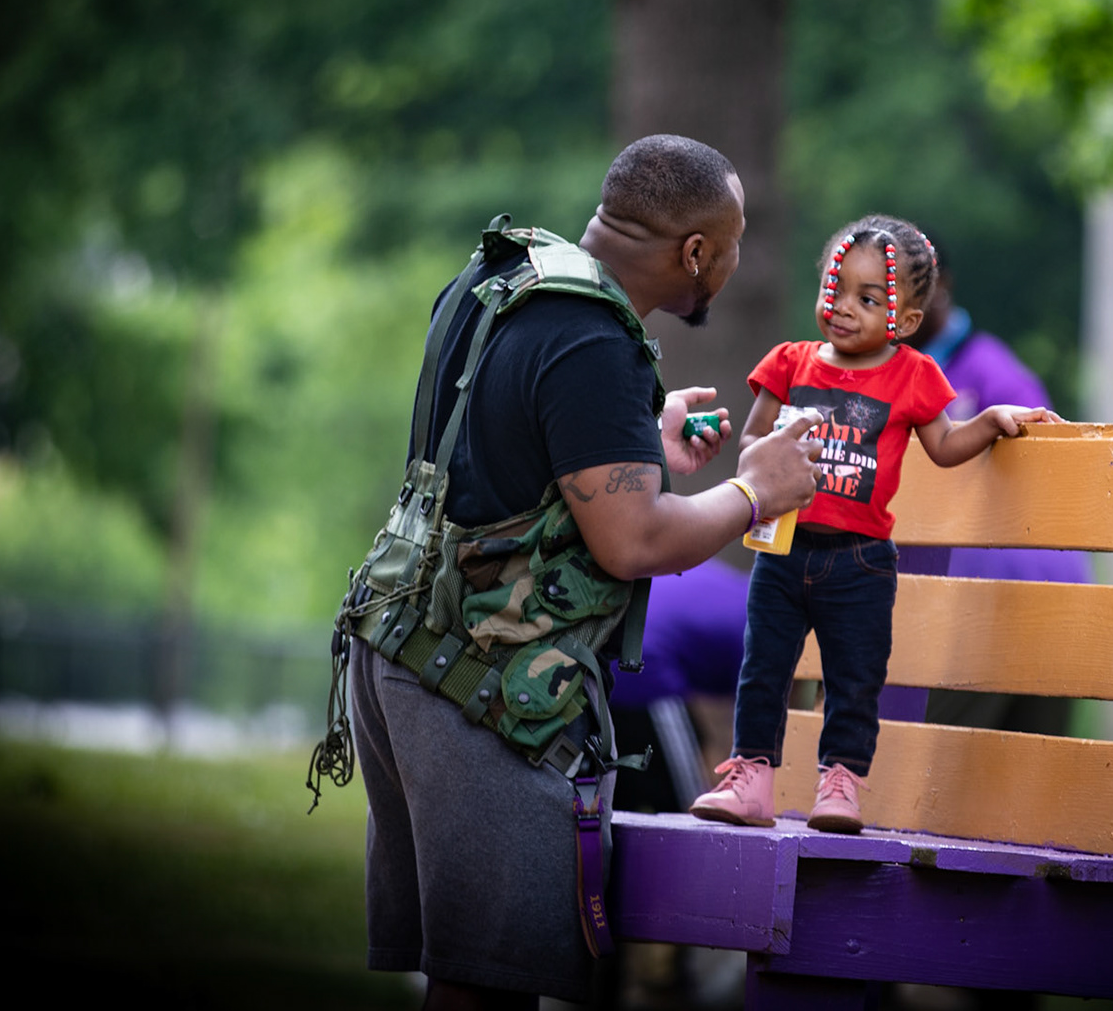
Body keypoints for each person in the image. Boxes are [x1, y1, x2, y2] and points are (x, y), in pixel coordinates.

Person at [347, 134, 824, 1011]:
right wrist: (759, 489)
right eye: (735, 242)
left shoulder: (503, 278)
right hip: (483, 692)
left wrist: (633, 439)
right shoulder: (594, 339)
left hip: (400, 656)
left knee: (463, 981)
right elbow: (634, 542)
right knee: (486, 992)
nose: (736, 259)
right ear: (695, 252)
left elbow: (507, 453)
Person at [689, 214, 1059, 834]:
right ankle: (751, 777)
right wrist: (773, 443)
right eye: (834, 290)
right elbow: (752, 439)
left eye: (867, 298)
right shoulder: (790, 362)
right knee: (763, 669)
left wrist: (991, 418)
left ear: (908, 320)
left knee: (853, 678)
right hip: (783, 551)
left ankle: (841, 783)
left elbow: (942, 446)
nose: (843, 308)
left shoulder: (913, 376)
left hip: (859, 562)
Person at [905, 233, 1090, 737]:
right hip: (956, 597)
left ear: (941, 285)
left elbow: (1050, 470)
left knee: (951, 761)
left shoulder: (994, 373)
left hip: (1016, 593)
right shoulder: (891, 371)